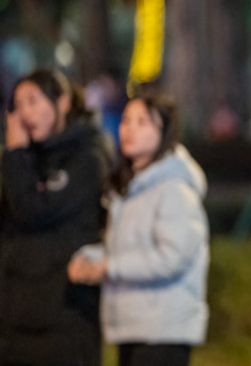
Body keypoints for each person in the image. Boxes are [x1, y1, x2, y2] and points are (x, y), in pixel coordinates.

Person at [68, 92, 209, 366]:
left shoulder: (174, 189)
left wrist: (109, 268)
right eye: (126, 120)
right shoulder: (131, 188)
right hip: (135, 326)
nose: (129, 129)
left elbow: (172, 258)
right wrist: (91, 260)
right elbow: (125, 249)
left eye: (143, 122)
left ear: (165, 132)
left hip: (163, 330)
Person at [0, 69, 111, 365]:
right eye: (18, 105)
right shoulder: (24, 161)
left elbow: (34, 211)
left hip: (65, 322)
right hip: (16, 326)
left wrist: (15, 154)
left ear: (62, 103)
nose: (25, 113)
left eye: (33, 101)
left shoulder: (87, 157)